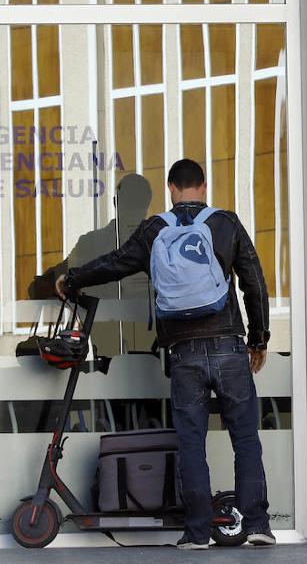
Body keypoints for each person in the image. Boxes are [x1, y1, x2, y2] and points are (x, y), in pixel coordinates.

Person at [56, 158, 274, 549]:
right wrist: (259, 339)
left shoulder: (156, 229)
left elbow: (115, 263)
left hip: (184, 351)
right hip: (228, 347)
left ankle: (195, 534)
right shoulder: (226, 223)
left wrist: (71, 279)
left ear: (171, 188)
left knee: (192, 443)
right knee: (246, 439)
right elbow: (254, 283)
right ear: (203, 187)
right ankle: (257, 526)